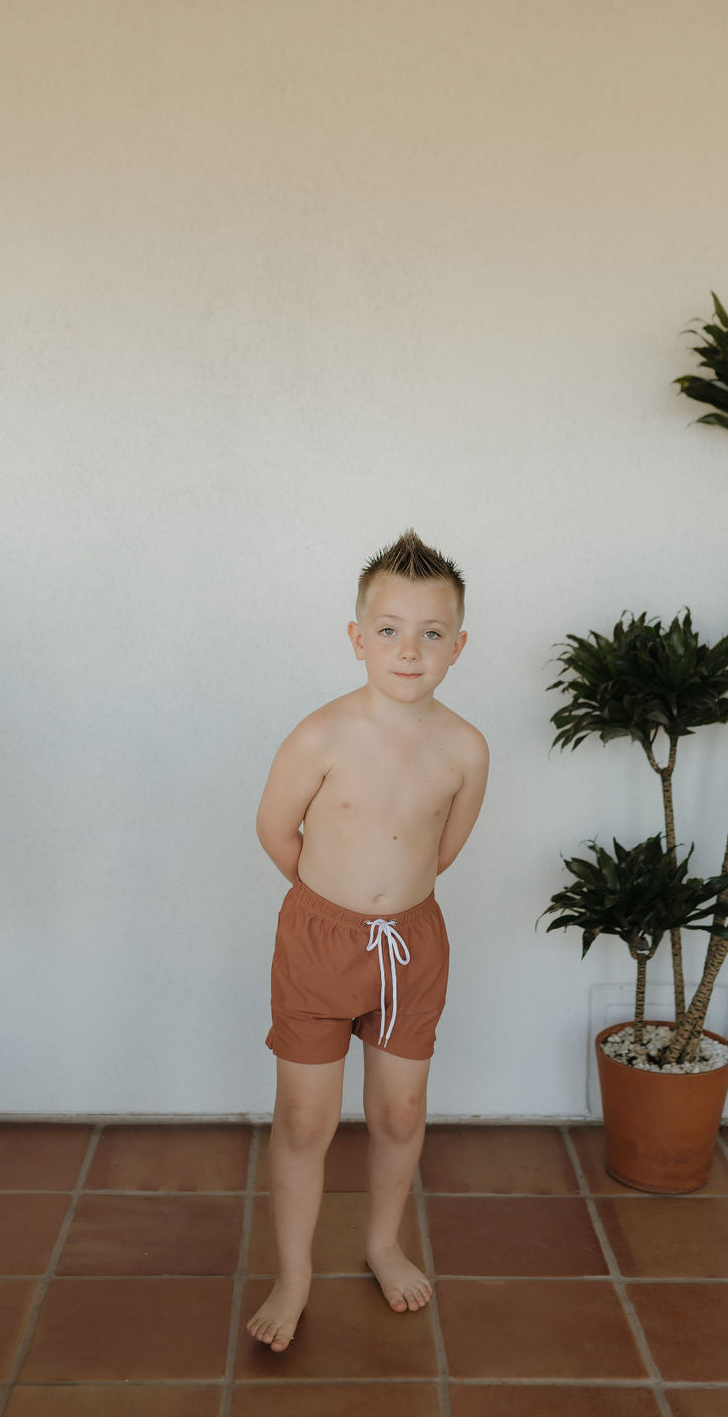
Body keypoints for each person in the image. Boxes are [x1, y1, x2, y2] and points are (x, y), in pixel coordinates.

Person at [246, 529, 489, 1352]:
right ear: (358, 639)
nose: (409, 650)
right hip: (322, 940)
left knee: (399, 1106)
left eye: (431, 633)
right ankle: (294, 1272)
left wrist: (390, 906)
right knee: (306, 1119)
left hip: (413, 946)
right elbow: (277, 831)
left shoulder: (465, 748)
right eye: (389, 630)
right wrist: (334, 913)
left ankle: (383, 1241)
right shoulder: (321, 735)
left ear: (459, 645)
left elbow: (442, 848)